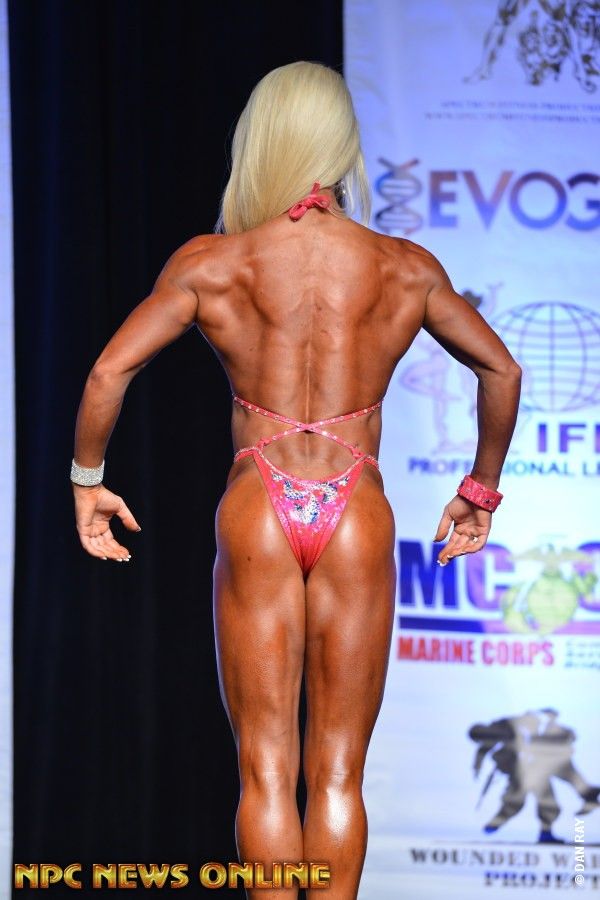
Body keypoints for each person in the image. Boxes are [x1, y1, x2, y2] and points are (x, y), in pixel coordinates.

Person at [70, 61, 521, 899]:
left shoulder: (216, 262)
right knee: (340, 773)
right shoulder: (403, 266)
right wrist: (479, 490)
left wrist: (86, 480)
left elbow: (107, 373)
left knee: (266, 770)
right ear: (342, 145)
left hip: (258, 505)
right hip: (357, 508)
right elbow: (501, 369)